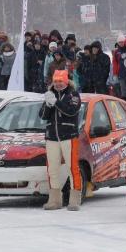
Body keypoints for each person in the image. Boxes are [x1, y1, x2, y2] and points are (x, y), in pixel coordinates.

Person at [40, 69, 83, 211]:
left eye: (60, 81)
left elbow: (71, 111)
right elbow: (43, 116)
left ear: (66, 81)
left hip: (69, 136)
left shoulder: (73, 94)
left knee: (72, 168)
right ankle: (54, 200)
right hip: (51, 136)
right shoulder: (50, 94)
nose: (57, 84)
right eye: (55, 81)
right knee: (52, 169)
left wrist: (56, 102)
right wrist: (47, 103)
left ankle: (75, 199)